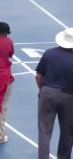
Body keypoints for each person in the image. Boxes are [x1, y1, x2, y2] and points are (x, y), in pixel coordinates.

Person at [36, 28, 73, 159]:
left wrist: (42, 90)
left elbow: (39, 76)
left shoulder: (49, 54)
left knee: (44, 131)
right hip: (69, 97)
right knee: (68, 132)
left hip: (48, 93)